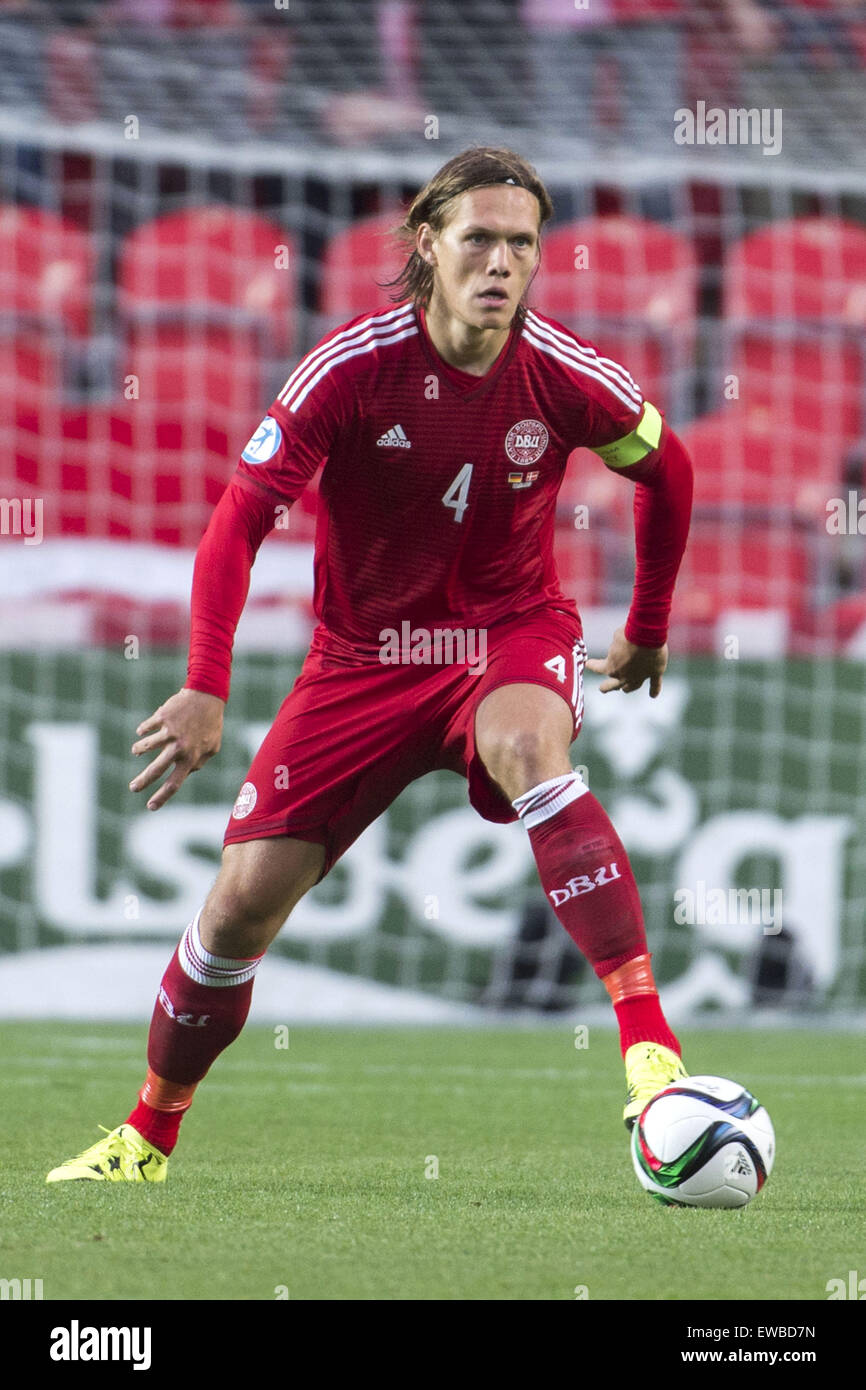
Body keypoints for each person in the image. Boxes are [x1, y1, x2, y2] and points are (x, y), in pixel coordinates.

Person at [47, 146, 694, 1183]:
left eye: (520, 242)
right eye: (476, 237)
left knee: (529, 745)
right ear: (426, 245)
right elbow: (237, 521)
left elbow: (669, 470)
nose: (499, 261)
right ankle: (147, 1135)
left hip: (506, 635)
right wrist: (206, 685)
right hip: (361, 663)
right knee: (233, 913)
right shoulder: (351, 367)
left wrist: (648, 623)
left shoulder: (567, 376)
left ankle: (647, 1049)